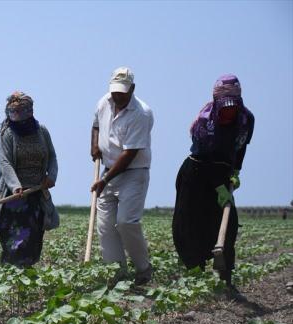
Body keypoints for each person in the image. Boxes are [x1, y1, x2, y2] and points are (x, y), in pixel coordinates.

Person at [172, 74, 254, 292]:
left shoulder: (246, 119)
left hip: (223, 171)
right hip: (196, 173)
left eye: (233, 107)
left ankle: (225, 280)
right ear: (217, 102)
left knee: (228, 225)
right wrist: (218, 186)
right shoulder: (204, 122)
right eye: (225, 107)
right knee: (190, 226)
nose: (229, 112)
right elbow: (204, 159)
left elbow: (241, 146)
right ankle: (194, 277)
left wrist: (236, 170)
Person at [90, 67, 154, 285]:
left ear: (132, 89)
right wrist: (94, 145)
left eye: (122, 93)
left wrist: (105, 180)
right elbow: (96, 124)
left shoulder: (142, 113)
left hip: (133, 173)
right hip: (108, 170)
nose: (117, 96)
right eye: (114, 92)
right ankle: (117, 275)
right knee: (106, 227)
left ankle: (143, 269)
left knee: (126, 222)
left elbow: (130, 154)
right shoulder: (104, 102)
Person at [0, 92, 58, 267]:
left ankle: (27, 271)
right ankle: (11, 273)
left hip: (36, 194)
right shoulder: (7, 134)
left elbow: (52, 156)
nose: (18, 120)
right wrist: (15, 186)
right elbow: (5, 162)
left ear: (29, 113)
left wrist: (51, 177)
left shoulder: (42, 131)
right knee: (14, 240)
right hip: (14, 198)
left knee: (34, 238)